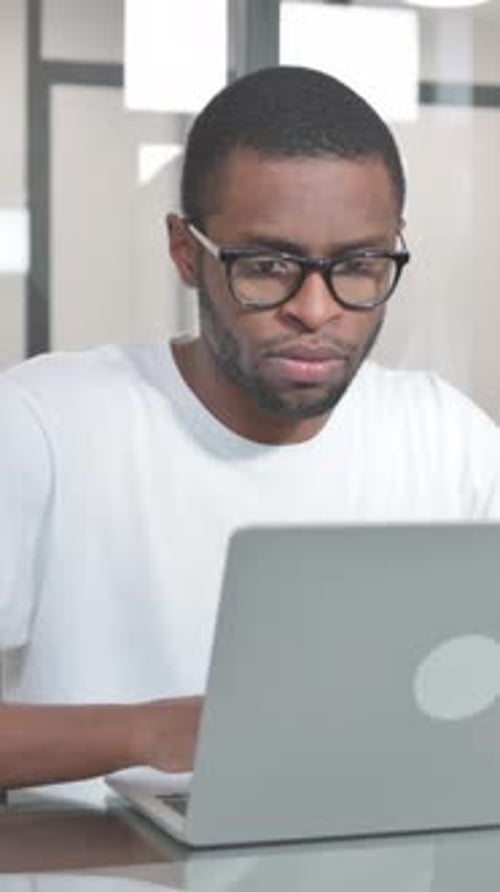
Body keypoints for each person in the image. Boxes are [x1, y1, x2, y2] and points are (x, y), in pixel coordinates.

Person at [0, 66, 499, 805]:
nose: (317, 309)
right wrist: (154, 734)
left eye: (359, 266)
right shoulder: (43, 426)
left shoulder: (446, 435)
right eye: (268, 266)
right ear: (185, 251)